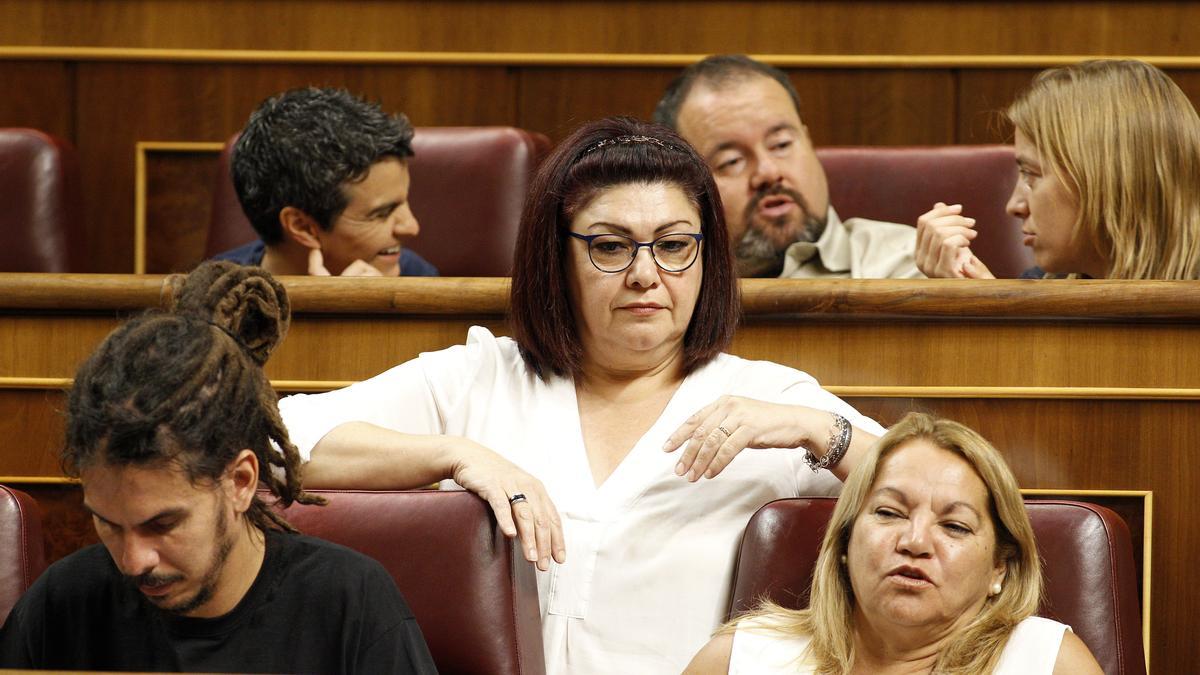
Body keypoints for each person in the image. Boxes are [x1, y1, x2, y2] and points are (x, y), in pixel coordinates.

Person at [276, 116, 887, 674]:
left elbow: (935, 488)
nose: (645, 274)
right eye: (610, 246)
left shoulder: (765, 397)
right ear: (557, 257)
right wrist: (455, 455)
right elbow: (274, 440)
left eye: (674, 246)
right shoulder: (481, 377)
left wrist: (819, 432)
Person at [0, 262, 437, 674]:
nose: (133, 562)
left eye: (163, 524)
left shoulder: (351, 603)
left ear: (240, 482)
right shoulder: (60, 605)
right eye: (108, 524)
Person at [684, 412, 1103, 674]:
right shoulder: (739, 660)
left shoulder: (1047, 663)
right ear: (845, 542)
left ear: (1000, 568)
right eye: (889, 513)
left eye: (955, 526)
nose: (915, 542)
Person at [916, 59, 1200, 280]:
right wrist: (987, 309)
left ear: (1107, 180)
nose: (1014, 206)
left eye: (1032, 175)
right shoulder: (1045, 283)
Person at [654, 54, 922, 280]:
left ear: (808, 140)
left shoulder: (911, 265)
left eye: (781, 144)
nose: (768, 173)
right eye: (732, 161)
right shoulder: (660, 284)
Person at [215, 87, 439, 277]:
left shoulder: (416, 276)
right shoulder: (214, 302)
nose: (412, 227)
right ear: (303, 227)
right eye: (382, 213)